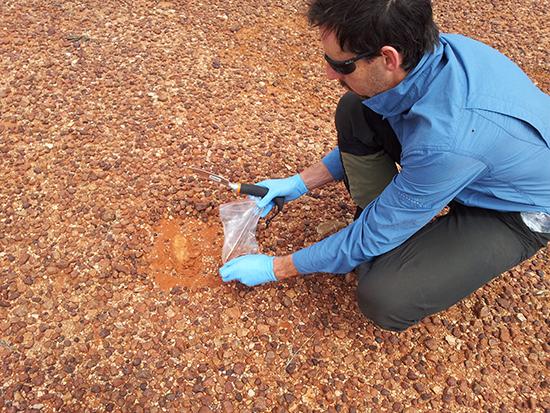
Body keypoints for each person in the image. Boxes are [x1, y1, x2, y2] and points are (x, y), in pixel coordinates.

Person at [219, 0, 550, 331]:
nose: (329, 73)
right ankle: (400, 218)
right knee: (357, 108)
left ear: (389, 58)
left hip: (514, 211)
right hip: (469, 163)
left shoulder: (445, 142)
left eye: (342, 65)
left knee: (384, 294)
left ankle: (404, 233)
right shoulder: (430, 55)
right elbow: (404, 129)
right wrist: (297, 183)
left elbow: (436, 156)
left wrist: (276, 267)